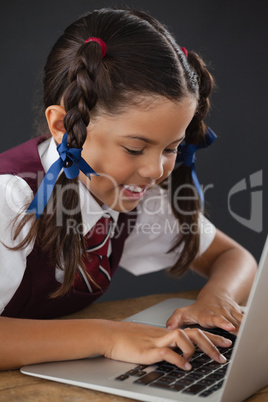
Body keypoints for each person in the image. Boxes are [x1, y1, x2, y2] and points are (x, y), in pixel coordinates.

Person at [0, 7, 256, 371]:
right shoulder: (11, 199)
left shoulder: (131, 193)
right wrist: (110, 336)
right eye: (134, 149)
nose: (155, 170)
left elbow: (234, 257)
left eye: (171, 148)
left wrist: (218, 299)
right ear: (61, 126)